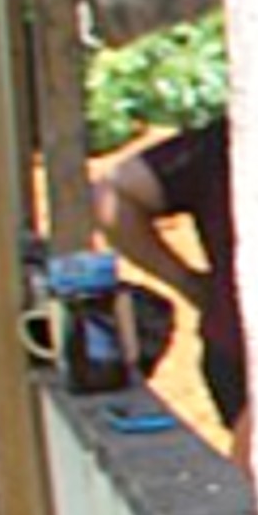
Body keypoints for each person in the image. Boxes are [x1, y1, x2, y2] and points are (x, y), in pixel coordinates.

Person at [97, 116, 247, 430]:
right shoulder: (222, 144)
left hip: (236, 345)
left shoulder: (219, 143)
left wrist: (190, 284)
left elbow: (115, 193)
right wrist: (188, 283)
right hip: (244, 350)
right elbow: (113, 195)